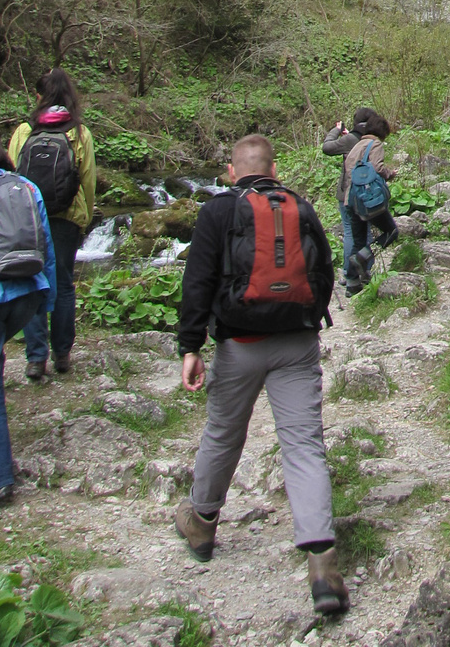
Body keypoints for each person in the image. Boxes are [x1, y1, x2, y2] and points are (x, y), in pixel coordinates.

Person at [173, 133, 347, 615]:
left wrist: (191, 346)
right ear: (274, 169)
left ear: (233, 171)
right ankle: (322, 567)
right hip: (297, 344)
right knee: (304, 445)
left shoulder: (217, 211)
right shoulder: (301, 207)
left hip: (238, 346)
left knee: (224, 434)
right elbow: (324, 274)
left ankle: (202, 524)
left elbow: (199, 281)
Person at [8, 69, 95, 380]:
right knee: (63, 284)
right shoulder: (79, 133)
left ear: (38, 96)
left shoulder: (24, 131)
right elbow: (87, 181)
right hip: (67, 217)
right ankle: (62, 355)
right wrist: (85, 216)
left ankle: (35, 358)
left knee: (32, 281)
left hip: (30, 216)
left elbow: (12, 178)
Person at [0, 154, 56, 502]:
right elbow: (46, 249)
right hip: (26, 294)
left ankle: (2, 478)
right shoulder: (26, 186)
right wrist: (45, 305)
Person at [322, 108, 398, 296]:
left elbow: (349, 170)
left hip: (350, 199)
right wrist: (390, 174)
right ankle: (364, 257)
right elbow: (378, 167)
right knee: (391, 231)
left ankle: (352, 284)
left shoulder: (354, 144)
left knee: (356, 238)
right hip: (367, 199)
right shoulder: (376, 144)